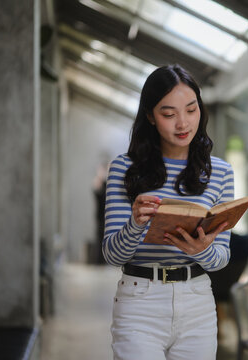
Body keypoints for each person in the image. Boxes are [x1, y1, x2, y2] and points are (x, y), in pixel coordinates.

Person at [102, 64, 234, 360]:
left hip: (198, 301)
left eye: (191, 110)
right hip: (140, 302)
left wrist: (201, 250)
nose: (183, 123)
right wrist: (135, 224)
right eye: (169, 114)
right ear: (150, 116)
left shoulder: (221, 172)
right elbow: (112, 255)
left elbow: (221, 259)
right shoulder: (124, 168)